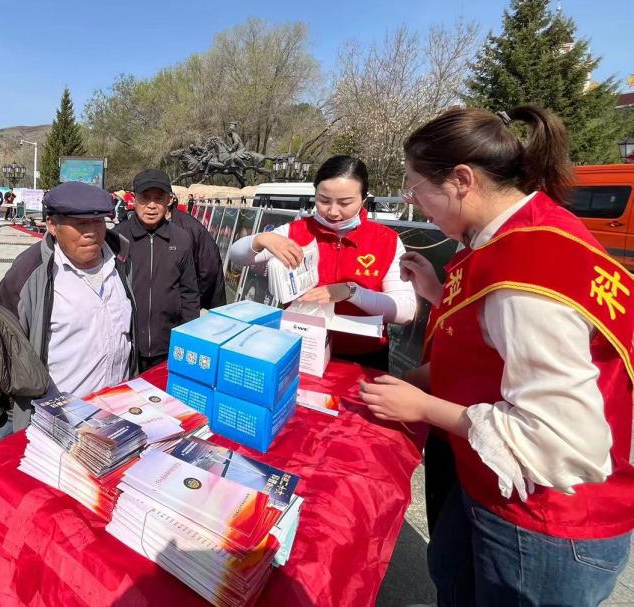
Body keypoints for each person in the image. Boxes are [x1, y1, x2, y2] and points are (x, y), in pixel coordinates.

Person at [359, 106, 634, 606]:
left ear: (462, 180)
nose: (414, 203)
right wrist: (427, 371)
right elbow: (488, 342)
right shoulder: (512, 233)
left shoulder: (528, 268)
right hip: (494, 489)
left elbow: (560, 436)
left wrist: (424, 407)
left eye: (416, 188)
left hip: (546, 523)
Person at [229, 155, 416, 371]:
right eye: (324, 201)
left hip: (363, 360)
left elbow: (405, 311)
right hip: (300, 351)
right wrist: (261, 239)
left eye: (345, 203)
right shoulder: (295, 231)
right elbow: (237, 256)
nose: (333, 212)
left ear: (363, 199)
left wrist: (351, 292)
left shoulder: (386, 240)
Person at [0, 181, 138, 425]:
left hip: (118, 413)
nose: (91, 232)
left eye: (98, 221)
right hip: (58, 423)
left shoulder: (121, 260)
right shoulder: (29, 273)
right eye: (80, 224)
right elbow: (5, 348)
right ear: (52, 225)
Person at [114, 170, 202, 371]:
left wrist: (188, 339)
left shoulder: (181, 239)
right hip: (126, 346)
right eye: (145, 198)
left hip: (168, 345)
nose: (152, 205)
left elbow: (189, 294)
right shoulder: (117, 238)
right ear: (133, 199)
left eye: (159, 198)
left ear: (169, 200)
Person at [168, 200, 226, 310]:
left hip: (201, 305)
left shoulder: (189, 227)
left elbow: (209, 267)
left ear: (169, 200)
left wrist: (191, 300)